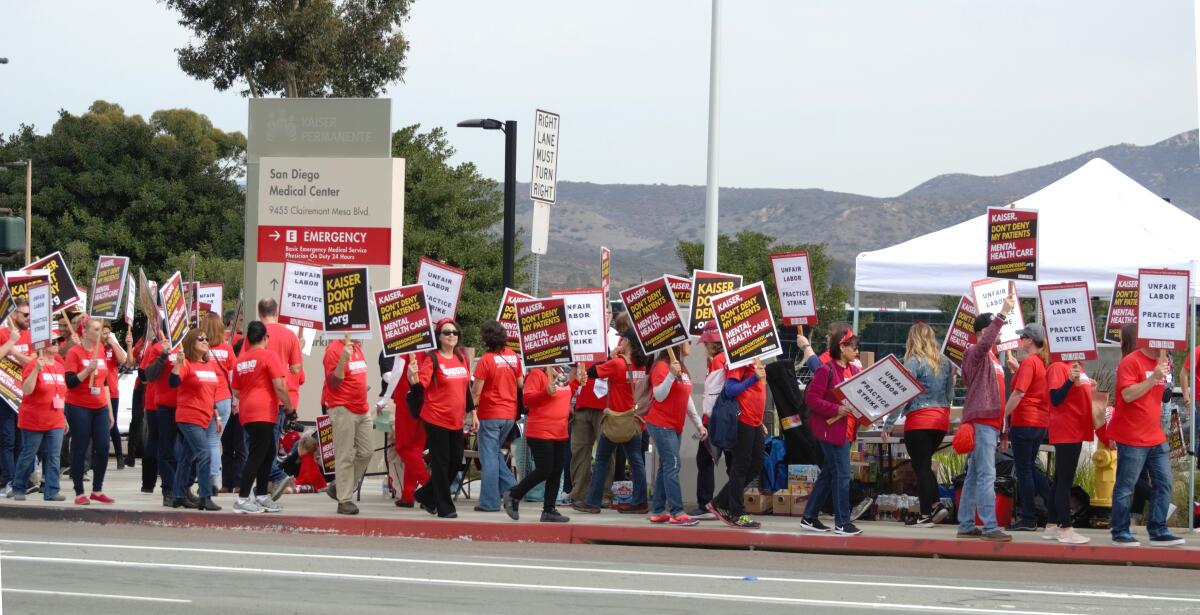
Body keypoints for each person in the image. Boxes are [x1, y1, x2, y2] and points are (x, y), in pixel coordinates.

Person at [1108, 323, 1185, 547]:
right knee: (1126, 485)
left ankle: (1158, 529)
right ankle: (1120, 531)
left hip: (1155, 434)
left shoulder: (1164, 362)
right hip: (1132, 435)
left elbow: (1161, 396)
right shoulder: (1130, 362)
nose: (1168, 344)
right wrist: (1153, 379)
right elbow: (1128, 395)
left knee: (1164, 483)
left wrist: (1165, 379)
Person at [955, 289, 1015, 543]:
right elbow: (985, 342)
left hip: (988, 422)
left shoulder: (992, 358)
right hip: (982, 422)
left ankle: (967, 523)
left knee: (975, 474)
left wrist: (1002, 428)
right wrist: (1001, 314)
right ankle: (990, 525)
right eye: (993, 329)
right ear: (983, 333)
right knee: (986, 474)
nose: (998, 332)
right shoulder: (975, 353)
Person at [883, 322, 954, 527]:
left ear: (912, 339)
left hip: (919, 420)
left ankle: (927, 512)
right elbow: (950, 395)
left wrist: (888, 425)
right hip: (940, 420)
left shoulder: (914, 361)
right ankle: (935, 506)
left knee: (920, 466)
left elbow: (903, 395)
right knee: (925, 464)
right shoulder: (945, 362)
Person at [575, 330, 648, 515]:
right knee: (636, 461)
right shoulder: (642, 365)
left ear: (628, 343)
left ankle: (592, 502)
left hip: (616, 420)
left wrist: (609, 357)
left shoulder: (617, 364)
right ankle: (640, 501)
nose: (620, 341)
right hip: (634, 420)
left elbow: (592, 372)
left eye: (623, 339)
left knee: (601, 459)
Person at [800, 330, 863, 535]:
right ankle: (842, 522)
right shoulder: (826, 370)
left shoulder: (853, 370)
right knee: (842, 475)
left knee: (829, 474)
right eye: (853, 346)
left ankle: (809, 517)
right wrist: (836, 409)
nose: (857, 350)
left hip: (846, 430)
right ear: (842, 347)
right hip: (832, 431)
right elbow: (811, 399)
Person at [503, 365, 584, 522]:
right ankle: (514, 494)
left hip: (560, 431)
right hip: (540, 431)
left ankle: (549, 510)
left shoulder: (559, 372)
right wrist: (545, 392)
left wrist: (576, 383)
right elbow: (527, 400)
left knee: (555, 471)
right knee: (545, 470)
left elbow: (563, 395)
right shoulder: (536, 374)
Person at [410, 318, 474, 518]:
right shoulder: (433, 359)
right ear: (438, 337)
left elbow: (466, 389)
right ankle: (445, 507)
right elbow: (421, 387)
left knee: (455, 461)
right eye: (447, 332)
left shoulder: (462, 358)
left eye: (454, 332)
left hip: (456, 420)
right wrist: (412, 378)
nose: (452, 336)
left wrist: (473, 412)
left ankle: (425, 495)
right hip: (436, 418)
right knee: (441, 463)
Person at [231, 321, 293, 513]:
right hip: (264, 411)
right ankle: (242, 499)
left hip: (247, 410)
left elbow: (236, 391)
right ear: (265, 337)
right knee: (258, 455)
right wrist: (290, 407)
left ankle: (261, 495)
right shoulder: (269, 356)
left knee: (266, 454)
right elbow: (280, 386)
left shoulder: (241, 361)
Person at [644, 343, 707, 526]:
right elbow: (659, 395)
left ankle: (657, 511)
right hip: (661, 424)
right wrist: (671, 374)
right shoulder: (662, 366)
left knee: (666, 466)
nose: (690, 345)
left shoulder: (682, 367)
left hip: (674, 425)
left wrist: (698, 424)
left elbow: (685, 398)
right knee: (673, 465)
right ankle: (677, 512)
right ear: (677, 344)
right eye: (687, 342)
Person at [707, 349, 769, 529]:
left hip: (755, 421)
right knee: (740, 466)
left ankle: (720, 501)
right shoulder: (739, 357)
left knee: (756, 464)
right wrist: (754, 378)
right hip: (743, 419)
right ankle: (737, 512)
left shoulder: (756, 357)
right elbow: (730, 389)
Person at [1004, 322, 1053, 532]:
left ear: (1030, 340)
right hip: (1040, 422)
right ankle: (1055, 506)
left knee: (1024, 470)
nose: (1020, 340)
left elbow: (1019, 393)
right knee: (1031, 467)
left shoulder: (1030, 362)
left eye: (1022, 337)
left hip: (1025, 420)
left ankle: (1028, 517)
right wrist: (1018, 369)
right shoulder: (1043, 362)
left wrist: (1003, 415)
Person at [470, 321, 522, 513]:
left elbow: (476, 392)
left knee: (489, 458)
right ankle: (512, 489)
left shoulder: (486, 360)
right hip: (509, 415)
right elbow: (520, 383)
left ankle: (490, 502)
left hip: (490, 414)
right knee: (493, 454)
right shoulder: (513, 357)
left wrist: (470, 410)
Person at [63, 317, 115, 505]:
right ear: (84, 332)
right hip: (79, 405)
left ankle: (97, 489)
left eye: (100, 329)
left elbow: (105, 382)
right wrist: (86, 371)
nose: (99, 332)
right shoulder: (74, 353)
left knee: (103, 447)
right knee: (80, 447)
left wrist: (109, 410)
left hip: (99, 405)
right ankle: (79, 492)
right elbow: (70, 382)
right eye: (95, 329)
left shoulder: (100, 349)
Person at [169, 329, 221, 511]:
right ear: (192, 342)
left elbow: (211, 392)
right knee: (204, 453)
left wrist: (217, 414)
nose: (206, 340)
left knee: (186, 457)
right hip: (189, 416)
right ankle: (205, 497)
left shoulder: (209, 365)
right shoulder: (187, 364)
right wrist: (178, 363)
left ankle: (178, 495)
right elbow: (173, 382)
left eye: (207, 338)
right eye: (201, 338)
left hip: (205, 417)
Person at [1044, 359, 1095, 544]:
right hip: (1067, 429)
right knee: (1065, 480)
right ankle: (1065, 527)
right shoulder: (1058, 367)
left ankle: (1051, 524)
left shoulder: (1076, 366)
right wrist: (1069, 381)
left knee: (1060, 478)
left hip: (1076, 427)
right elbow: (1055, 399)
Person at [10, 342, 67, 501]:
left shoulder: (59, 366)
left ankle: (52, 491)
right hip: (33, 419)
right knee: (28, 454)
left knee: (54, 456)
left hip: (55, 419)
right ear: (43, 345)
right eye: (53, 342)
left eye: (58, 342)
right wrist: (36, 369)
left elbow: (62, 394)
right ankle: (18, 487)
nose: (57, 344)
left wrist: (64, 417)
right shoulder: (32, 364)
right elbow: (27, 390)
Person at [259, 299, 303, 499]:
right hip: (279, 397)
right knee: (272, 444)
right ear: (276, 312)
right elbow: (296, 370)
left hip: (258, 395)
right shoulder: (289, 335)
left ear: (260, 313)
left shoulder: (257, 332)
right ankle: (272, 479)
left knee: (259, 446)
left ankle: (270, 481)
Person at [324, 335, 372, 515]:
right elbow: (333, 383)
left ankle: (340, 487)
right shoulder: (334, 349)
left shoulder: (357, 348)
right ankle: (344, 500)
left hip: (362, 408)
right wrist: (343, 359)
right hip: (342, 408)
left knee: (366, 452)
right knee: (344, 455)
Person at [689, 321, 731, 519]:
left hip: (714, 419)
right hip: (731, 418)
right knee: (732, 463)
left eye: (706, 343)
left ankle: (706, 504)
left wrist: (704, 422)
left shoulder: (716, 361)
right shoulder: (727, 359)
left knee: (704, 460)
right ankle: (732, 503)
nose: (704, 347)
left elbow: (712, 396)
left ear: (712, 343)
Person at [141, 321, 182, 507]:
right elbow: (147, 375)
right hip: (163, 405)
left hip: (185, 405)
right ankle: (168, 490)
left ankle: (182, 487)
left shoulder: (186, 345)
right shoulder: (157, 347)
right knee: (165, 448)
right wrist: (163, 355)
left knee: (184, 451)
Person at [381, 352, 428, 508]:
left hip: (406, 401)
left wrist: (385, 398)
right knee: (414, 449)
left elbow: (395, 375)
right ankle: (408, 494)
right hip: (422, 400)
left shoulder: (405, 348)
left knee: (403, 447)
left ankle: (431, 487)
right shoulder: (426, 349)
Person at [0, 299, 33, 497]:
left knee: (22, 442)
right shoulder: (4, 334)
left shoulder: (31, 336)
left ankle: (21, 480)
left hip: (25, 395)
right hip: (5, 394)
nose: (28, 318)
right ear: (14, 315)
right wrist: (11, 342)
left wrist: (12, 353)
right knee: (7, 440)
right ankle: (9, 481)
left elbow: (34, 361)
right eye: (25, 315)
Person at [203, 313, 236, 494]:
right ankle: (214, 479)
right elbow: (233, 377)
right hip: (224, 399)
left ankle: (208, 479)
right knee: (214, 441)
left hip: (206, 399)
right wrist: (236, 400)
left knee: (207, 442)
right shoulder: (227, 348)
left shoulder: (200, 349)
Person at [100, 324, 129, 470]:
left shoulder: (112, 347)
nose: (106, 336)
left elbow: (123, 359)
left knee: (113, 425)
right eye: (103, 333)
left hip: (112, 392)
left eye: (108, 333)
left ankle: (119, 456)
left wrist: (114, 343)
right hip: (98, 392)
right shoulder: (96, 349)